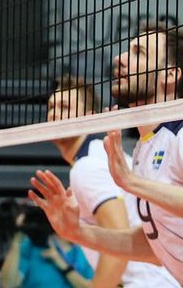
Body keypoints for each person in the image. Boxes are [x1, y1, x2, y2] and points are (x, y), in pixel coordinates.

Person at [31, 23, 183, 282]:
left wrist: (132, 182)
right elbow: (157, 246)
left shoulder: (179, 134)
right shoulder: (144, 148)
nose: (119, 58)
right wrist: (75, 232)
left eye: (139, 53)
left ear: (169, 75)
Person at [46, 74, 177, 288]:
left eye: (64, 107)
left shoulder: (86, 167)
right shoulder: (96, 157)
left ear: (88, 117)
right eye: (51, 107)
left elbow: (117, 252)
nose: (54, 114)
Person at [0, 205, 93, 288]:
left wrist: (62, 264)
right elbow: (8, 284)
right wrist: (17, 237)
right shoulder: (30, 247)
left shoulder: (81, 251)